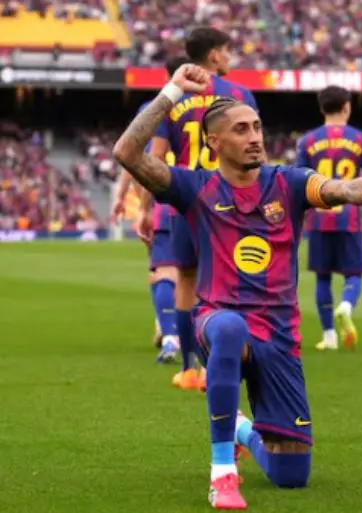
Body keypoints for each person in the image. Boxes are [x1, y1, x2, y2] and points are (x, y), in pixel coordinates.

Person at [113, 63, 362, 510]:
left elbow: (347, 190)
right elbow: (127, 152)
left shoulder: (288, 182)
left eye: (257, 127)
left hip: (280, 334)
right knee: (229, 329)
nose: (255, 137)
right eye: (241, 130)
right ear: (213, 142)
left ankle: (240, 429)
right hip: (219, 320)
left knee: (292, 475)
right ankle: (222, 473)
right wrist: (172, 91)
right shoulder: (196, 188)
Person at [135, 26, 258, 391]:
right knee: (230, 283)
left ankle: (190, 369)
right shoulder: (239, 94)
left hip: (185, 201)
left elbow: (155, 158)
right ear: (214, 55)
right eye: (227, 50)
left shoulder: (172, 96)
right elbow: (253, 151)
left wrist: (145, 209)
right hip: (229, 200)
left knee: (186, 281)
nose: (230, 57)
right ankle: (219, 365)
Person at [111, 56, 188, 357]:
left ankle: (170, 333)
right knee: (197, 271)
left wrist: (138, 204)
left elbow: (140, 157)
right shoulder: (215, 106)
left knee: (162, 269)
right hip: (207, 196)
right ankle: (176, 327)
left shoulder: (157, 108)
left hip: (167, 197)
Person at [296, 86, 362, 351]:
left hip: (319, 218)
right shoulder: (360, 139)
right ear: (347, 107)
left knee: (322, 277)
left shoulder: (308, 141)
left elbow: (298, 181)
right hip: (349, 217)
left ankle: (329, 336)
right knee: (354, 273)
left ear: (322, 108)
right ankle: (345, 305)